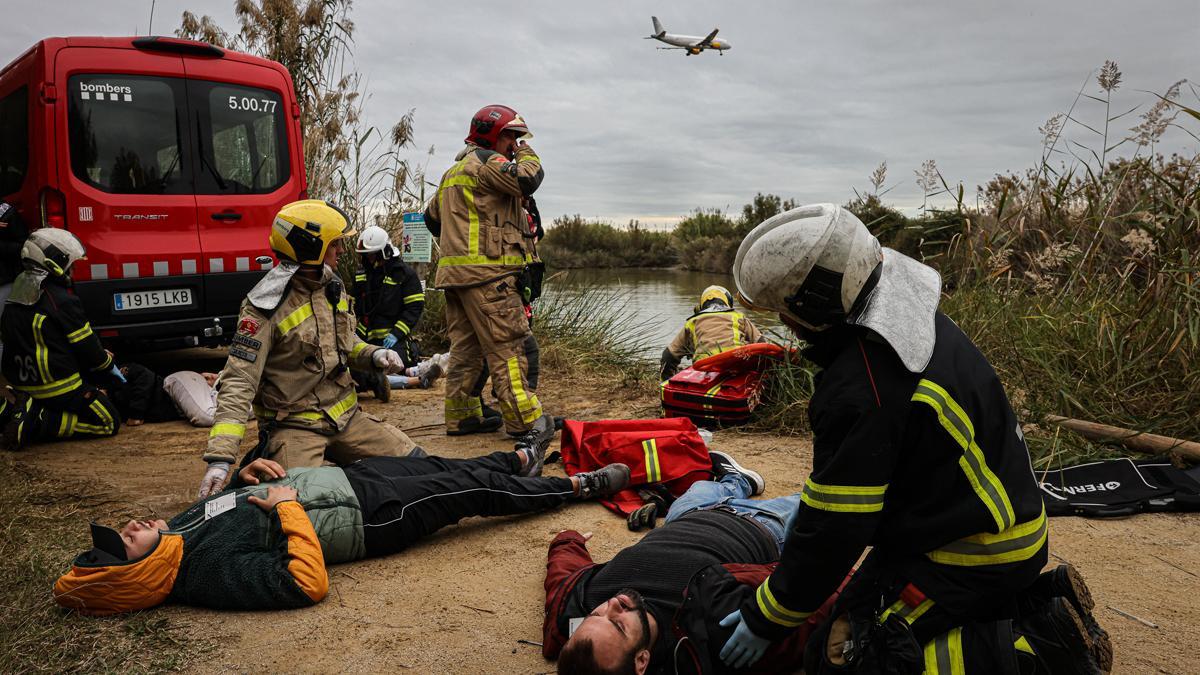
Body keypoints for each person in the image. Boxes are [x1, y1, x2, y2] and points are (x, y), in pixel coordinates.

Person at [718, 204, 1111, 674]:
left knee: (842, 658)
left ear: (813, 306)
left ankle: (1040, 647)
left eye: (784, 313)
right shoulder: (904, 311)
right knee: (850, 617)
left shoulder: (861, 385)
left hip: (971, 553)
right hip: (983, 524)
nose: (787, 326)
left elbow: (835, 533)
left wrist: (767, 616)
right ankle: (1033, 604)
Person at [54, 452, 632, 615]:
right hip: (365, 518)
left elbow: (231, 503)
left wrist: (246, 474)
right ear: (139, 573)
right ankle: (578, 487)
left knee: (444, 467)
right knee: (470, 496)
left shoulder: (176, 533)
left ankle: (514, 461)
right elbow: (304, 582)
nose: (131, 526)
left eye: (123, 528)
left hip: (340, 480)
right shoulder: (205, 574)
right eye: (127, 541)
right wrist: (285, 509)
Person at [199, 200, 418, 499]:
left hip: (347, 419)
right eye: (334, 245)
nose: (341, 251)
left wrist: (373, 354)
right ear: (310, 248)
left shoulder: (333, 287)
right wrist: (220, 459)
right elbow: (240, 380)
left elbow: (343, 343)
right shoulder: (263, 307)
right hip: (295, 428)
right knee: (305, 503)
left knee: (418, 464)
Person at [544, 451, 834, 674]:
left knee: (698, 488)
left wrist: (567, 540)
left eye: (596, 615)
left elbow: (562, 578)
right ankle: (738, 484)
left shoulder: (578, 606)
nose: (614, 604)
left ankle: (738, 480)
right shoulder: (711, 638)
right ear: (642, 660)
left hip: (686, 515)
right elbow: (818, 599)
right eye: (618, 625)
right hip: (765, 527)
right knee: (833, 499)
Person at [423, 104, 552, 457]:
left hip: (456, 277)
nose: (515, 143)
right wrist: (527, 152)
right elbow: (529, 177)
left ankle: (462, 414)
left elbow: (431, 219)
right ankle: (524, 419)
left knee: (467, 349)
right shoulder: (489, 163)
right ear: (495, 135)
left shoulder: (453, 173)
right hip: (489, 276)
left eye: (518, 139)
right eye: (512, 136)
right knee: (508, 346)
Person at [0, 229, 122, 450]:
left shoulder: (16, 292)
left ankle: (10, 412)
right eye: (69, 264)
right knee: (108, 421)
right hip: (57, 387)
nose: (72, 270)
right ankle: (37, 420)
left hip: (21, 384)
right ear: (53, 263)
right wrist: (107, 364)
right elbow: (89, 350)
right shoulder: (62, 300)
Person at [351, 224, 428, 402]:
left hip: (395, 340)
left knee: (392, 364)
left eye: (372, 254)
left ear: (384, 251)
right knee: (357, 368)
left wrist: (396, 333)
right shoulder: (362, 273)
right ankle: (413, 377)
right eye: (365, 255)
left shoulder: (403, 275)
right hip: (366, 340)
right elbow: (355, 305)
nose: (369, 259)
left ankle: (412, 375)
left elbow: (414, 307)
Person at [660, 285, 765, 380]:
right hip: (736, 370)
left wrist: (666, 381)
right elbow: (762, 345)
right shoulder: (739, 317)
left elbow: (668, 356)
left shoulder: (692, 322)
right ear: (727, 302)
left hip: (702, 373)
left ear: (702, 305)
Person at [107, 364, 219, 427]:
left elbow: (143, 374)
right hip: (183, 397)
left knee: (206, 417)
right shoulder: (110, 407)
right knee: (227, 403)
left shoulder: (111, 381)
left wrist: (136, 414)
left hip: (176, 384)